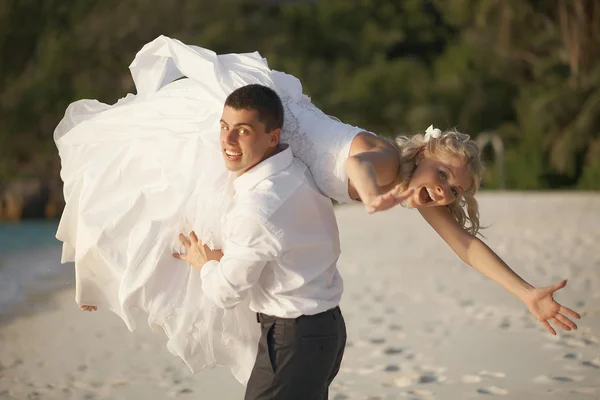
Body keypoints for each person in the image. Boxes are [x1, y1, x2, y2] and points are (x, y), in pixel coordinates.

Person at [54, 36, 579, 384]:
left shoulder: (407, 185)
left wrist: (525, 292)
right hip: (270, 134)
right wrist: (373, 196)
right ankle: (93, 271)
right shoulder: (386, 158)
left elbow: (465, 245)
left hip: (276, 165)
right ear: (424, 156)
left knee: (191, 237)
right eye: (442, 176)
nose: (443, 193)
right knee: (146, 179)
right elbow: (357, 167)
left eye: (454, 192)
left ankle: (99, 276)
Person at [173, 83, 377, 399]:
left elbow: (226, 293)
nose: (227, 140)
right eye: (224, 127)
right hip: (325, 329)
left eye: (242, 131)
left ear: (273, 136)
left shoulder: (257, 207)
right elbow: (280, 244)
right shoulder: (296, 169)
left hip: (292, 340)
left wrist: (205, 264)